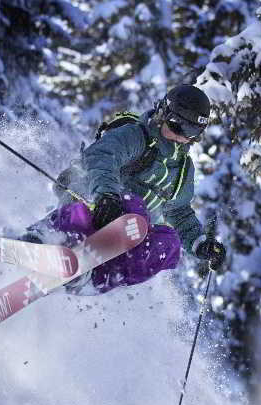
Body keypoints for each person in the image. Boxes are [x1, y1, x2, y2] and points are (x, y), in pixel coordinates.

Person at [25, 84, 227, 294]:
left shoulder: (183, 170)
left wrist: (200, 243)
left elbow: (179, 213)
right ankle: (43, 238)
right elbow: (102, 155)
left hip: (123, 236)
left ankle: (93, 278)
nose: (180, 136)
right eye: (176, 126)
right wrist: (107, 195)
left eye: (191, 131)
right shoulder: (138, 136)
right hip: (94, 203)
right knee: (134, 208)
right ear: (163, 113)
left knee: (169, 243)